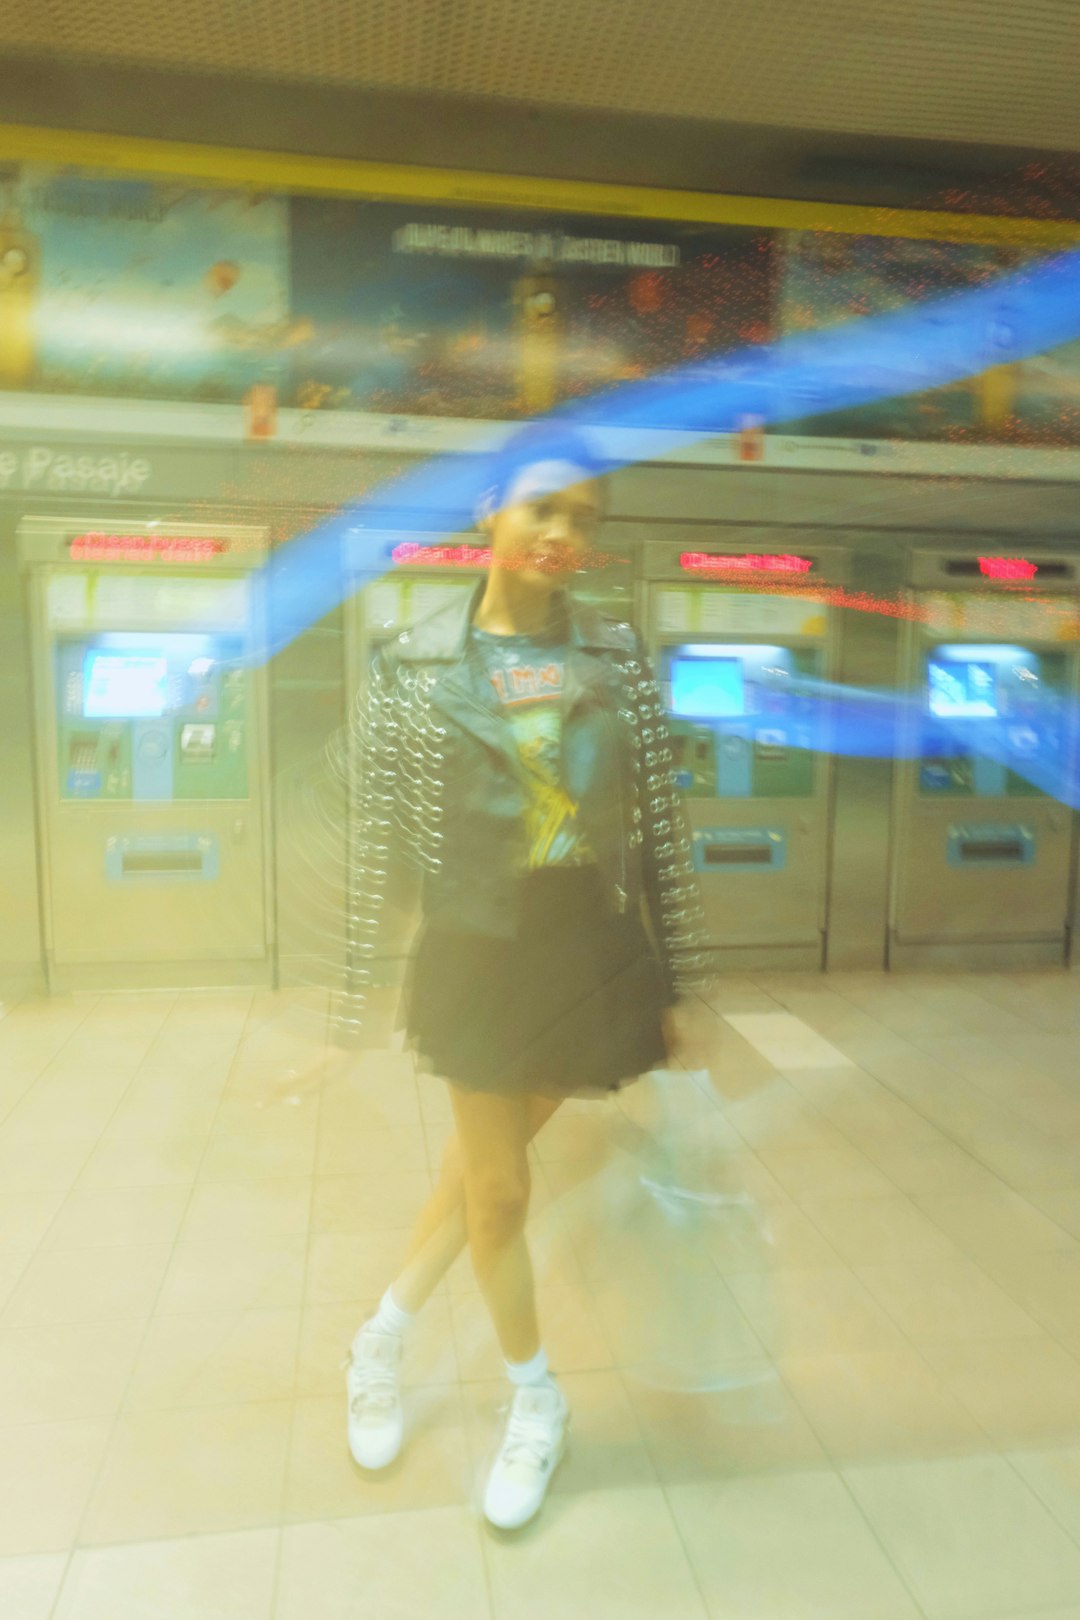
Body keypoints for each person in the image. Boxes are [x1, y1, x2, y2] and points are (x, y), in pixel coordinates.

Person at [341, 421, 708, 1531]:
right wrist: (344, 988)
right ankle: (536, 1400)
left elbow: (658, 828)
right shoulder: (411, 660)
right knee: (499, 1189)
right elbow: (383, 833)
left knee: (477, 1168)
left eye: (584, 519)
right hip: (476, 947)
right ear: (487, 512)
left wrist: (679, 975)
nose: (562, 533)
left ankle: (383, 1331)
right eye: (543, 508)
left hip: (587, 947)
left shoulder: (617, 658)